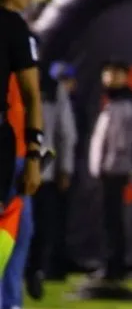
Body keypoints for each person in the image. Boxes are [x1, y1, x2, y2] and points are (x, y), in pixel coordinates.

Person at [0, 0, 42, 309]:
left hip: (12, 144)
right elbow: (32, 99)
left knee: (20, 231)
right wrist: (34, 155)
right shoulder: (18, 32)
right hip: (9, 146)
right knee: (16, 230)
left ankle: (8, 308)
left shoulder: (18, 32)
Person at [87, 61, 132, 284]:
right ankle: (110, 263)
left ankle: (114, 265)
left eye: (114, 74)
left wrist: (115, 167)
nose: (108, 78)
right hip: (108, 170)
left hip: (114, 171)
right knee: (109, 219)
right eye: (106, 73)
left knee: (113, 220)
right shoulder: (115, 102)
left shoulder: (125, 104)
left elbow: (123, 143)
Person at [27, 61, 76, 292]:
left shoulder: (52, 89)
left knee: (32, 227)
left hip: (33, 171)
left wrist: (63, 168)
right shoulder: (50, 87)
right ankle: (31, 270)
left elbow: (65, 134)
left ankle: (32, 269)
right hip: (30, 170)